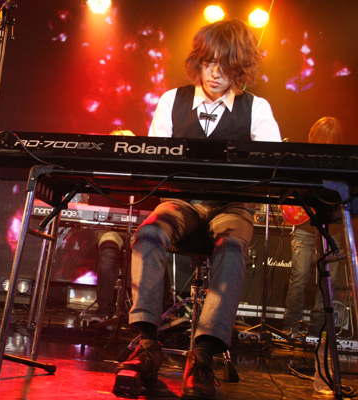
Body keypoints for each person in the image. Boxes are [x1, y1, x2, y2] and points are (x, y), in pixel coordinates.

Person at [114, 19, 281, 400]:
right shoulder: (171, 101)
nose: (215, 73)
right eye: (209, 63)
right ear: (198, 62)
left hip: (232, 204)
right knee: (149, 233)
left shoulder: (257, 108)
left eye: (225, 65)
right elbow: (153, 160)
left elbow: (273, 166)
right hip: (183, 200)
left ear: (240, 68)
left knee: (232, 247)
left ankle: (203, 354)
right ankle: (147, 343)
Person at [282, 117, 344, 337]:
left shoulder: (340, 164)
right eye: (322, 139)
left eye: (330, 140)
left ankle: (318, 332)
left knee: (328, 281)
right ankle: (291, 327)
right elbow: (288, 189)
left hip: (332, 229)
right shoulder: (305, 160)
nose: (325, 143)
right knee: (299, 277)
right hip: (305, 225)